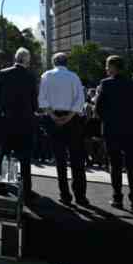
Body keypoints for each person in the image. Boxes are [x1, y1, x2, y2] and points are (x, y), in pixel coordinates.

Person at [39, 51, 88, 206]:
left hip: (53, 119)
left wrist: (53, 116)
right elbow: (80, 100)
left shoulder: (46, 76)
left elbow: (42, 99)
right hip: (72, 120)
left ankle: (65, 195)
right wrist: (69, 116)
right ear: (66, 62)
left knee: (60, 160)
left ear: (54, 62)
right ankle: (80, 195)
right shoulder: (74, 77)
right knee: (76, 159)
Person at [95, 55, 133, 209]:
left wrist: (108, 119)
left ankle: (117, 198)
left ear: (114, 67)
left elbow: (98, 109)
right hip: (131, 129)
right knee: (132, 166)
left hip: (112, 129)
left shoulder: (105, 84)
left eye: (107, 66)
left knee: (115, 165)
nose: (106, 68)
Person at [0, 47, 39, 204]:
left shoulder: (3, 73)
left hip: (7, 120)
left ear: (16, 58)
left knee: (4, 155)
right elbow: (34, 102)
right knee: (25, 158)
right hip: (25, 122)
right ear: (26, 60)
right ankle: (26, 190)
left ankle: (1, 186)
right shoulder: (31, 76)